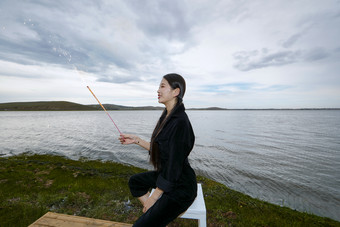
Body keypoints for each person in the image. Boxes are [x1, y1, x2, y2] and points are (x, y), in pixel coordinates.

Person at [119, 73, 197, 226]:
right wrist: (137, 140)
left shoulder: (180, 122)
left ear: (176, 92)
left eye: (162, 86)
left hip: (181, 187)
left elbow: (174, 164)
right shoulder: (167, 116)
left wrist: (154, 198)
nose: (158, 90)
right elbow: (162, 150)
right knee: (135, 182)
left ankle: (155, 215)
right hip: (169, 177)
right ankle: (156, 217)